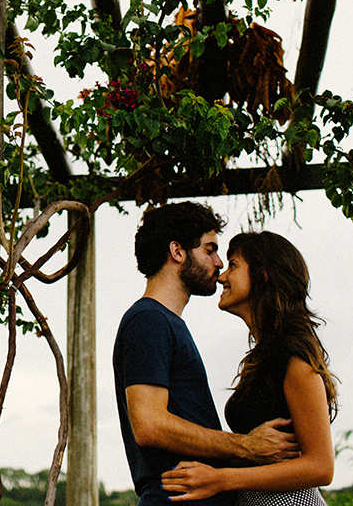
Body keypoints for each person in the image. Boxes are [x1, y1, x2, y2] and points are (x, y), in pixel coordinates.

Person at [113, 203, 300, 506]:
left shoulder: (166, 323)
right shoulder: (148, 319)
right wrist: (248, 445)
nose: (217, 264)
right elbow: (149, 425)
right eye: (210, 250)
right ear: (178, 251)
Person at [161, 231, 338, 504]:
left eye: (233, 265)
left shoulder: (294, 358)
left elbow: (321, 467)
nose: (221, 276)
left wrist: (221, 480)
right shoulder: (265, 358)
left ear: (262, 275)